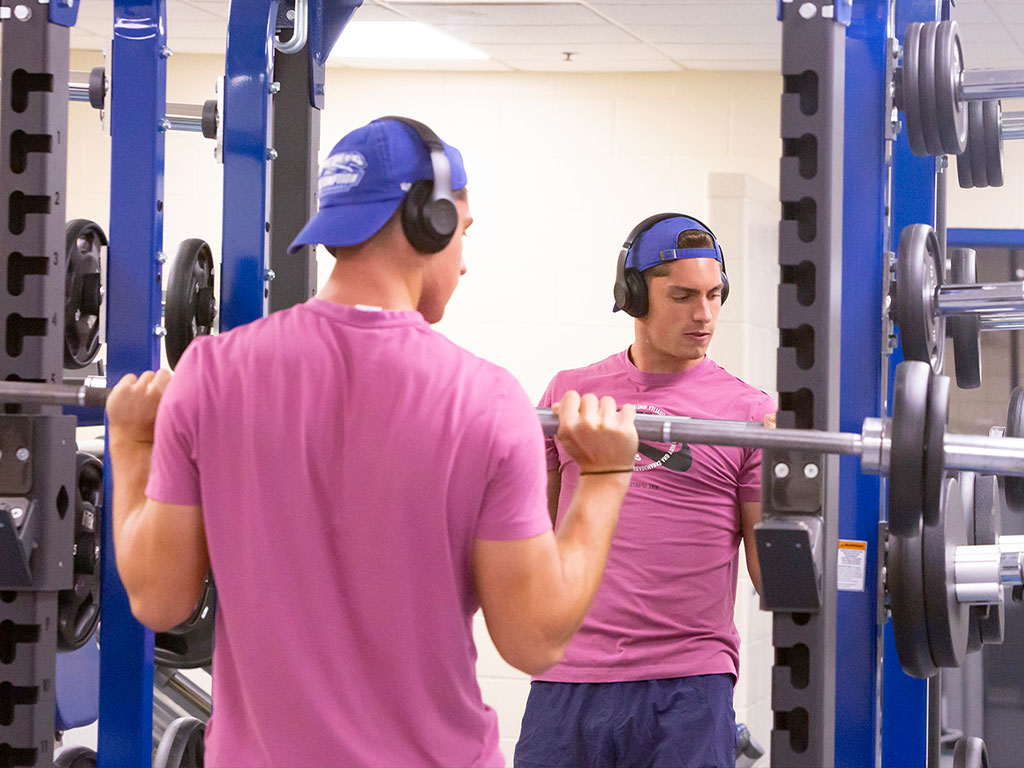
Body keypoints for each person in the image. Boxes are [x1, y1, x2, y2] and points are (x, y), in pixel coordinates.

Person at [106, 116, 639, 767]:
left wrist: (132, 441)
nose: (464, 262)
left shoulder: (209, 374)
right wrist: (605, 479)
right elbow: (534, 638)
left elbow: (159, 599)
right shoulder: (488, 400)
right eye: (463, 233)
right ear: (430, 222)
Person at [514, 214, 777, 768]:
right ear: (634, 297)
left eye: (713, 295)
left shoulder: (748, 414)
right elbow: (532, 541)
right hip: (569, 675)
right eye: (682, 296)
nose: (704, 315)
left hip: (688, 680)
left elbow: (768, 577)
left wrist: (796, 482)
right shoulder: (571, 394)